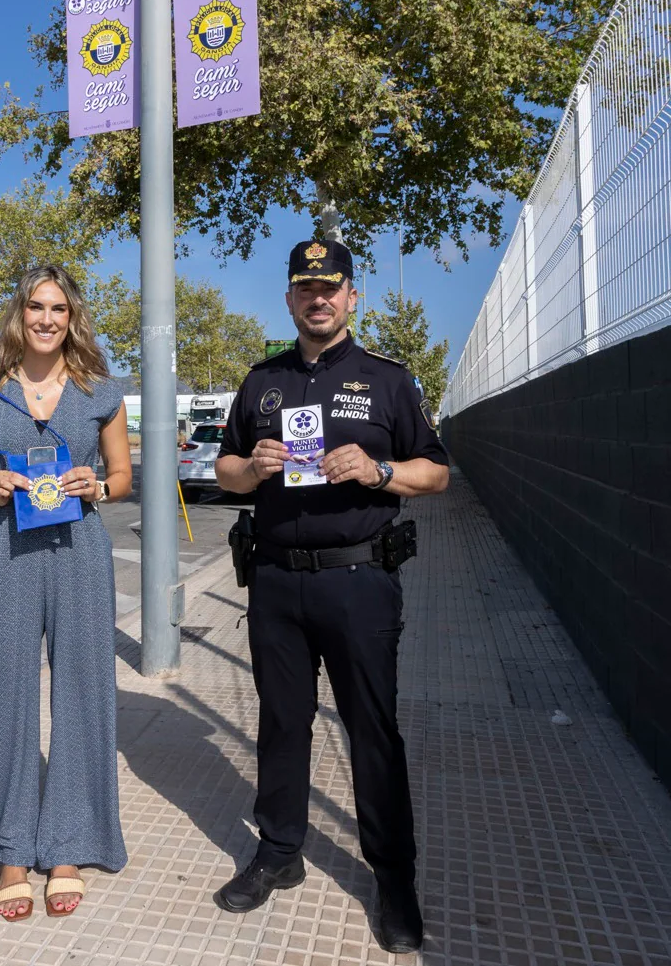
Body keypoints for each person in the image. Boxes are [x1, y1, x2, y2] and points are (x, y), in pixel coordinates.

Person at [213, 238, 450, 953]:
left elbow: (435, 473)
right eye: (304, 288)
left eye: (330, 287)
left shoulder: (386, 379)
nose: (317, 297)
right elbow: (223, 470)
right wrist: (251, 469)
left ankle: (393, 876)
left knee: (371, 730)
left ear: (352, 296)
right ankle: (279, 850)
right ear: (289, 299)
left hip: (359, 580)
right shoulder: (261, 382)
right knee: (282, 723)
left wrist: (378, 470)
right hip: (277, 579)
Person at [0, 264, 133, 922]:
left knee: (85, 690)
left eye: (57, 308)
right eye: (35, 308)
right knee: (1, 691)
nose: (47, 319)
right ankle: (11, 850)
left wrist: (99, 487)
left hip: (80, 551)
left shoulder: (100, 391)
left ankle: (68, 845)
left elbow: (122, 477)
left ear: (71, 316)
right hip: (8, 551)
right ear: (18, 316)